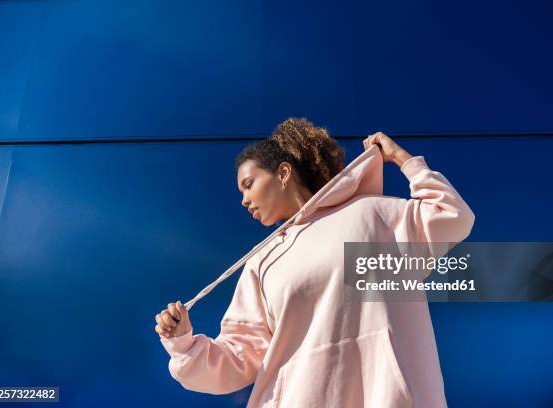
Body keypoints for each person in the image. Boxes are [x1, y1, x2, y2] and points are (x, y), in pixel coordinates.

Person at [155, 118, 475, 407]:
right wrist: (184, 342)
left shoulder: (373, 215)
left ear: (283, 173)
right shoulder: (263, 261)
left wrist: (401, 158)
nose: (243, 199)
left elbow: (452, 216)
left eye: (249, 184)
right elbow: (240, 355)